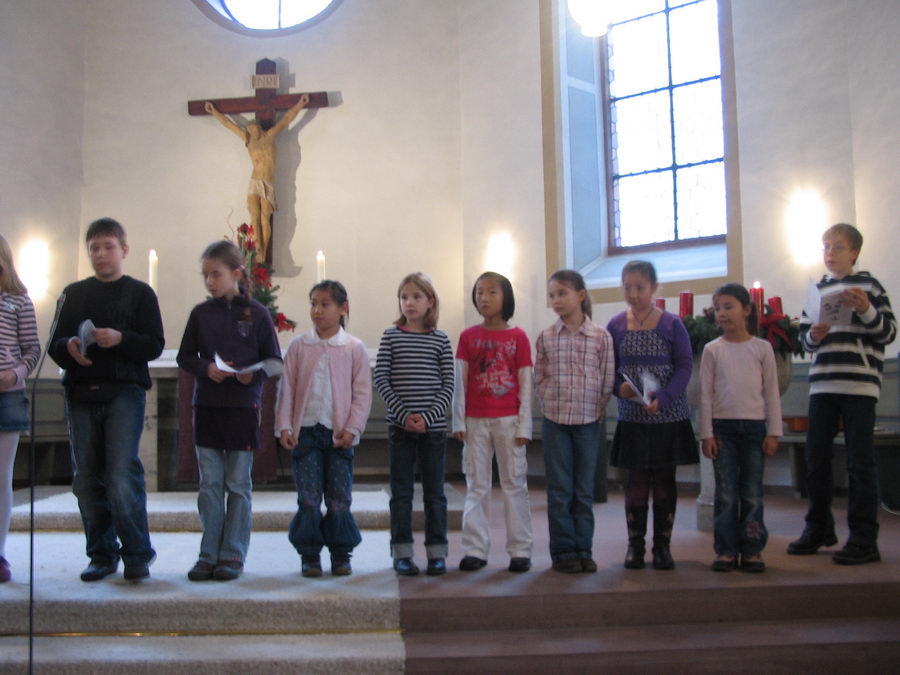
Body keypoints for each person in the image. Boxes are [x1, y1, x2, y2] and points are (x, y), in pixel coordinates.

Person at [49, 218, 164, 582]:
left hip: (123, 391)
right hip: (81, 391)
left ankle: (135, 553)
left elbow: (155, 343)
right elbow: (54, 343)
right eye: (94, 248)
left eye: (108, 246)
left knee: (119, 473)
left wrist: (121, 339)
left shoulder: (141, 293)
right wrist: (69, 348)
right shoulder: (73, 293)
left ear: (124, 250)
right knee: (86, 478)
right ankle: (101, 554)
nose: (100, 254)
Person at [787, 223, 896, 565]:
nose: (829, 253)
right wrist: (815, 335)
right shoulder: (817, 290)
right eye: (825, 247)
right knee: (816, 458)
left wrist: (865, 308)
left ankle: (864, 539)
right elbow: (804, 342)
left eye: (837, 247)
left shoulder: (870, 286)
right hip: (823, 382)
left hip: (859, 384)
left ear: (854, 253)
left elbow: (888, 333)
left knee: (859, 462)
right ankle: (819, 527)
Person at [176, 240, 282, 582]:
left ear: (237, 273)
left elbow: (275, 361)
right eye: (205, 275)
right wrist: (206, 368)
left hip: (242, 407)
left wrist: (254, 372)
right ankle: (208, 553)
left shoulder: (258, 314)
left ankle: (233, 553)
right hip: (207, 405)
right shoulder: (200, 314)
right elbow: (184, 357)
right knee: (210, 484)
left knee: (238, 484)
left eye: (216, 274)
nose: (210, 281)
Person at [275, 280, 371, 577]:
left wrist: (353, 428)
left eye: (325, 304)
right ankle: (310, 554)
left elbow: (362, 394)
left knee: (339, 497)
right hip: (306, 432)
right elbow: (287, 388)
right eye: (314, 303)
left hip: (339, 435)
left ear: (343, 309)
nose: (317, 310)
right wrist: (285, 426)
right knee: (309, 497)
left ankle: (341, 553)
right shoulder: (299, 346)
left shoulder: (354, 349)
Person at [607, 261, 697, 571]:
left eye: (640, 287)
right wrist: (620, 389)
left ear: (654, 288)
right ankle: (635, 546)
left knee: (664, 480)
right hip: (633, 418)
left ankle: (663, 546)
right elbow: (610, 369)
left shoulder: (672, 324)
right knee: (636, 481)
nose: (633, 294)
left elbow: (685, 366)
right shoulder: (615, 325)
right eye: (627, 287)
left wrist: (666, 396)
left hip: (667, 416)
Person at [452, 272, 534, 573]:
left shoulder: (518, 337)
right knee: (477, 485)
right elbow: (460, 381)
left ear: (506, 297)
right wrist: (458, 420)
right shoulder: (468, 336)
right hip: (475, 420)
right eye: (479, 292)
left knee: (514, 484)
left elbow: (526, 382)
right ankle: (475, 549)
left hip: (509, 420)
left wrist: (525, 425)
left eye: (491, 292)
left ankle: (520, 550)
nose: (483, 298)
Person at [374, 273, 454, 577]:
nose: (409, 302)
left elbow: (448, 384)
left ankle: (437, 553)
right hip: (400, 427)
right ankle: (402, 553)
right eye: (404, 297)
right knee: (402, 492)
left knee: (435, 493)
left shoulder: (441, 339)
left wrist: (429, 417)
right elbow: (382, 378)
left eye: (416, 296)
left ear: (430, 301)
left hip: (433, 430)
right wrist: (405, 415)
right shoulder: (391, 336)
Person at [535, 270, 614, 573]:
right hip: (556, 421)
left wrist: (595, 407)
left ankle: (584, 548)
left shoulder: (600, 336)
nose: (555, 300)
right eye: (552, 294)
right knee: (559, 489)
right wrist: (548, 399)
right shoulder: (546, 337)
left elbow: (607, 379)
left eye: (562, 293)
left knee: (583, 490)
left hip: (588, 421)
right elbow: (539, 375)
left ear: (580, 296)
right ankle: (564, 551)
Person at [700, 282, 782, 573]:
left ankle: (751, 550)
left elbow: (771, 392)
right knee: (726, 493)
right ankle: (725, 550)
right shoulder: (712, 350)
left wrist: (774, 431)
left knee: (751, 492)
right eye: (718, 308)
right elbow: (706, 396)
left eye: (729, 306)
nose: (722, 313)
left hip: (754, 429)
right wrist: (707, 433)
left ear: (747, 309)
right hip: (723, 429)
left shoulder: (762, 349)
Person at [204, 94, 310, 259]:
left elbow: (287, 118)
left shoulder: (270, 136)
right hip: (254, 181)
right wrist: (214, 112)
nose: (252, 132)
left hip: (267, 183)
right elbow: (228, 124)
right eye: (249, 131)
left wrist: (300, 104)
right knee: (253, 214)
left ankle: (263, 252)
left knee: (264, 217)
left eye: (253, 129)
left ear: (259, 128)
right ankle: (257, 247)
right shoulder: (248, 140)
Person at [0, 235, 40, 583]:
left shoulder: (17, 301)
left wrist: (14, 373)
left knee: (1, 479)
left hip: (6, 394)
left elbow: (31, 349)